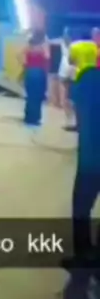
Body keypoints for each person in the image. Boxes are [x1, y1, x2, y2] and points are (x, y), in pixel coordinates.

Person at [64, 66, 100, 269]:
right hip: (90, 157)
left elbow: (76, 108)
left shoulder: (88, 77)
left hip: (90, 159)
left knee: (81, 209)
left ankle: (82, 256)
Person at [67, 28, 99, 131]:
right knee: (91, 101)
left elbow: (70, 61)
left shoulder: (74, 46)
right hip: (94, 76)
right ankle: (89, 124)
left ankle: (79, 124)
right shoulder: (95, 46)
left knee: (78, 101)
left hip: (79, 75)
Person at [21, 29, 49, 126]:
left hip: (29, 72)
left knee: (30, 95)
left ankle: (28, 116)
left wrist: (25, 64)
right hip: (39, 72)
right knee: (38, 96)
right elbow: (47, 57)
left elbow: (19, 55)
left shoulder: (28, 47)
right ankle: (35, 118)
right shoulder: (43, 47)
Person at [58, 28, 75, 128]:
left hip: (65, 68)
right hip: (72, 68)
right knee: (70, 95)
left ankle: (69, 118)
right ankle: (71, 118)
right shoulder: (74, 45)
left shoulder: (62, 43)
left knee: (64, 96)